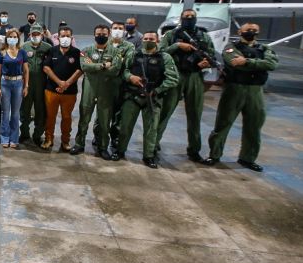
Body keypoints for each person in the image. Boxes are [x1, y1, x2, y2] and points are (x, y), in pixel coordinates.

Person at [205, 23, 278, 171]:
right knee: (223, 123)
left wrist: (247, 61)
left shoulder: (265, 48)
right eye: (247, 30)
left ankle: (248, 158)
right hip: (234, 88)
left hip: (255, 91)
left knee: (254, 126)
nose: (251, 32)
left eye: (254, 31)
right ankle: (215, 154)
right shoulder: (231, 47)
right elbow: (233, 62)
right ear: (240, 32)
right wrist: (258, 64)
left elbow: (271, 64)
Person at [156, 9, 216, 163]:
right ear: (181, 19)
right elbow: (161, 52)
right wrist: (177, 46)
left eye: (192, 17)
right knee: (165, 111)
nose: (189, 19)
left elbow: (211, 54)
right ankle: (153, 144)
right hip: (175, 75)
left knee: (195, 115)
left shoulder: (203, 36)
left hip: (195, 76)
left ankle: (194, 150)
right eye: (186, 17)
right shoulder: (171, 35)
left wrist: (206, 62)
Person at [114, 32, 178, 168]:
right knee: (125, 125)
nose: (148, 41)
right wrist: (131, 77)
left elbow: (173, 79)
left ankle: (148, 155)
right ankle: (120, 151)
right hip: (133, 96)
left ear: (158, 40)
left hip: (153, 98)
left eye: (152, 39)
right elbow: (124, 70)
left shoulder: (165, 58)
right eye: (146, 39)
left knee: (151, 129)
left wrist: (157, 90)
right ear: (142, 40)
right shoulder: (134, 54)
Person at [70, 25, 122, 159]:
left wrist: (94, 67)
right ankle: (79, 143)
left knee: (105, 121)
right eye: (98, 33)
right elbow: (84, 66)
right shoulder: (86, 51)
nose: (101, 36)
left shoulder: (115, 52)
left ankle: (103, 147)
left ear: (108, 34)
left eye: (104, 34)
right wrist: (104, 65)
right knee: (84, 118)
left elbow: (115, 70)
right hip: (89, 89)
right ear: (94, 35)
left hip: (106, 90)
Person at [95, 21, 135, 152]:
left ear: (124, 31)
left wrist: (112, 63)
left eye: (120, 28)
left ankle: (114, 138)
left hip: (120, 84)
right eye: (115, 28)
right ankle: (98, 136)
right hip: (104, 83)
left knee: (117, 114)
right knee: (101, 112)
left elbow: (128, 63)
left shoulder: (129, 46)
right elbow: (99, 62)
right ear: (111, 30)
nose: (118, 30)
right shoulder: (105, 43)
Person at [42, 26, 82, 151]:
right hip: (51, 90)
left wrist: (67, 84)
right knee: (50, 116)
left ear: (72, 38)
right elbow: (46, 68)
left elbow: (80, 70)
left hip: (69, 92)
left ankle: (65, 141)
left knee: (66, 117)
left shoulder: (76, 52)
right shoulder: (52, 51)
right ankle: (49, 139)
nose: (65, 38)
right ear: (58, 37)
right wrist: (59, 82)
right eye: (63, 36)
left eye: (68, 36)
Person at [0, 28, 29, 148]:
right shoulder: (1, 53)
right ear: (7, 38)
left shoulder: (22, 52)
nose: (13, 39)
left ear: (18, 39)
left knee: (15, 113)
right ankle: (4, 137)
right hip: (5, 83)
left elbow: (26, 71)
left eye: (15, 37)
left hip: (18, 84)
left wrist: (26, 86)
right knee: (5, 113)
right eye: (11, 36)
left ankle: (14, 138)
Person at [19, 24, 52, 145]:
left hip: (42, 84)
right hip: (27, 84)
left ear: (42, 35)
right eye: (33, 34)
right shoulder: (23, 47)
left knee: (40, 111)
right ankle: (24, 134)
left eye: (38, 34)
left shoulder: (48, 48)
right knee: (24, 110)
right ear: (29, 35)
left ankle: (38, 135)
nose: (36, 36)